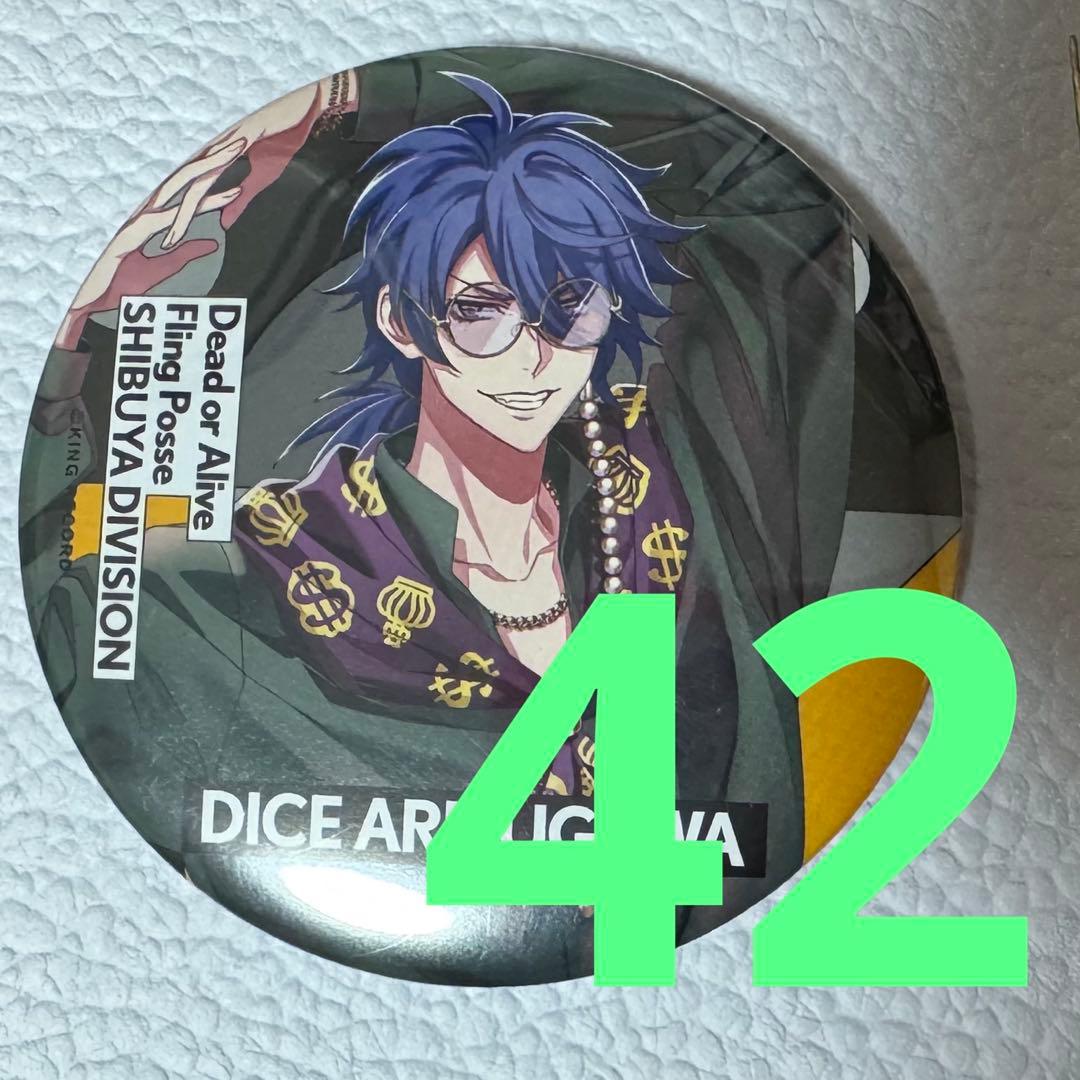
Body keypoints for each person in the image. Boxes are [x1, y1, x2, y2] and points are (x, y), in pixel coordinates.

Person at [25, 52, 869, 984]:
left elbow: (768, 189)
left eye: (569, 308)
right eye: (479, 311)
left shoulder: (682, 481)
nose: (531, 358)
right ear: (402, 320)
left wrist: (363, 100)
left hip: (720, 981)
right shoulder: (267, 579)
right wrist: (69, 363)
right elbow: (67, 615)